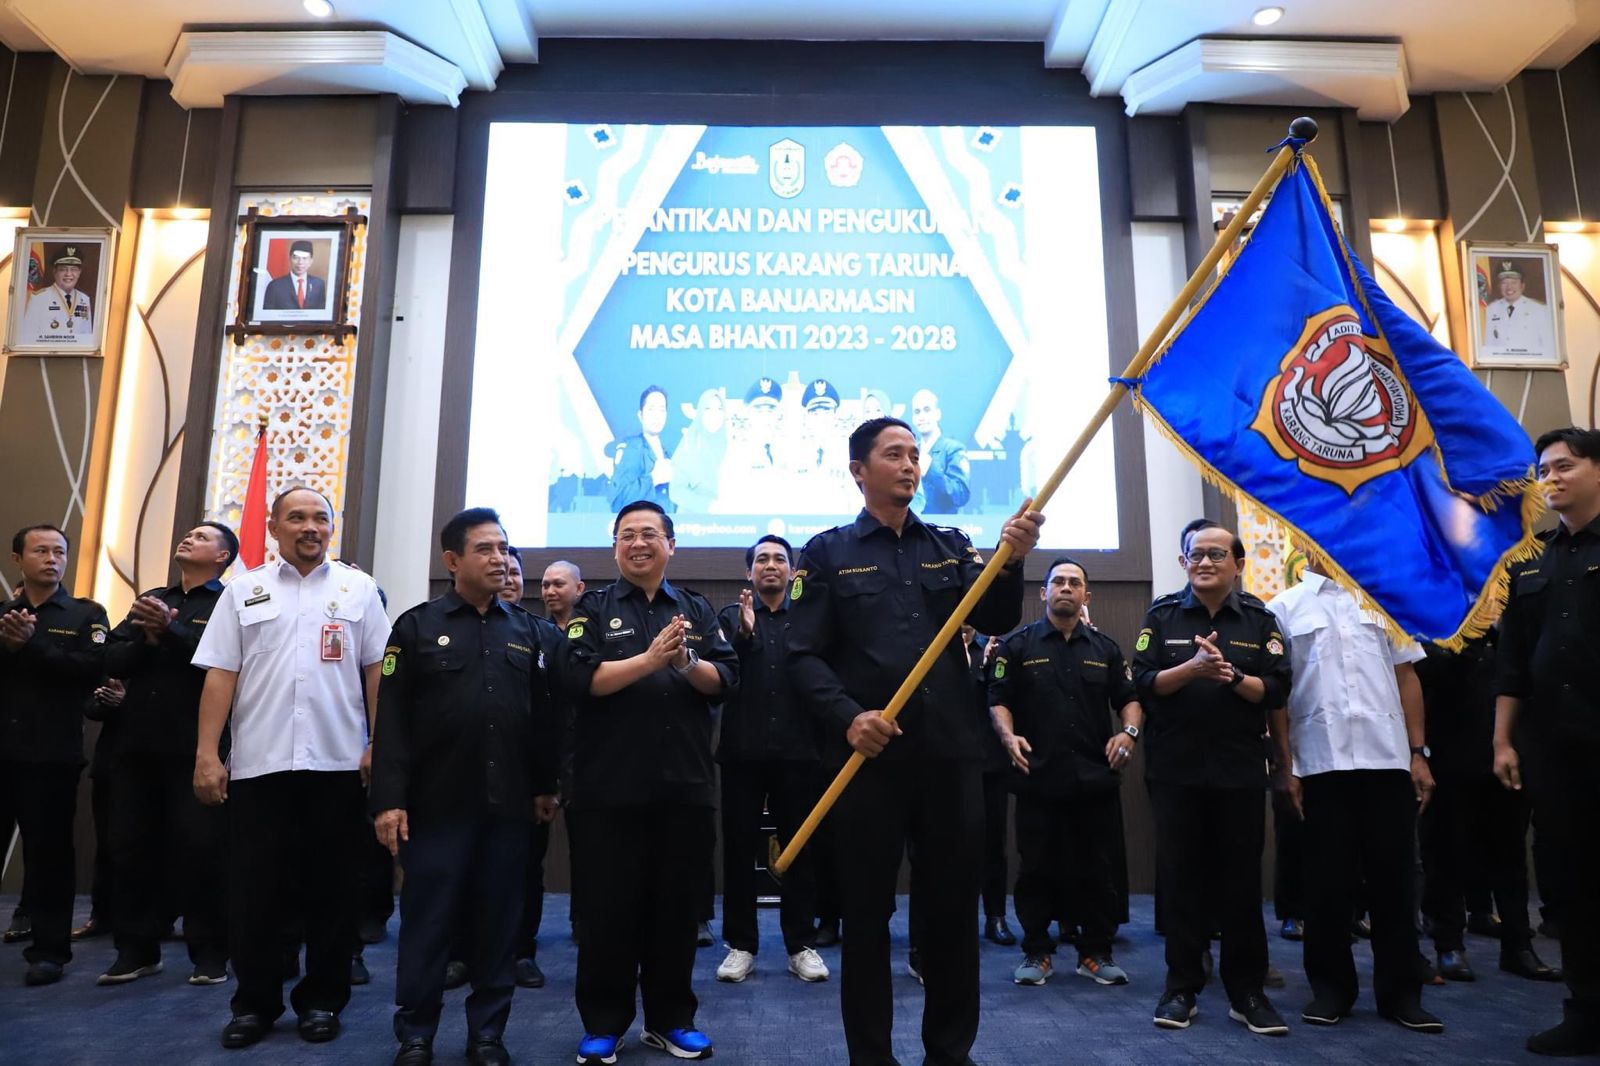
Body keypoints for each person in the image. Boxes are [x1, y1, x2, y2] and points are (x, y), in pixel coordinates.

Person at [786, 416, 1043, 1066]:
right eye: (894, 454)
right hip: (866, 763)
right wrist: (849, 717)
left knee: (952, 915)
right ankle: (871, 1058)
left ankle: (949, 1054)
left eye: (915, 454)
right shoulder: (826, 553)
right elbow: (802, 657)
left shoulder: (951, 547)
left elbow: (996, 616)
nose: (909, 465)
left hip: (950, 758)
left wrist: (1012, 559)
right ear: (859, 471)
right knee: (866, 919)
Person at [191, 486, 389, 1050]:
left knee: (333, 892)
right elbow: (220, 673)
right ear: (274, 528)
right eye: (296, 517)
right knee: (255, 894)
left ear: (332, 527)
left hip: (337, 765)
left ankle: (322, 1001)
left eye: (320, 518)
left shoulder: (358, 589)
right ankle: (254, 1004)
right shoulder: (243, 590)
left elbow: (378, 670)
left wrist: (378, 744)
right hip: (261, 765)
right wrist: (207, 754)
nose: (310, 527)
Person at [372, 508, 559, 1066]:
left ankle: (487, 1035)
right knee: (427, 925)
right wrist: (388, 800)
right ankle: (415, 1034)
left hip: (508, 809)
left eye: (503, 548)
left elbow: (542, 719)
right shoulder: (415, 627)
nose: (500, 559)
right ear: (452, 560)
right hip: (435, 808)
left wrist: (545, 786)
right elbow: (392, 723)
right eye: (485, 549)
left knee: (499, 926)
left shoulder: (529, 631)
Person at [563, 500, 737, 1064]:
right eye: (627, 535)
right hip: (608, 789)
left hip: (684, 787)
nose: (638, 543)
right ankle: (604, 1024)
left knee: (676, 912)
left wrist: (685, 662)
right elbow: (581, 679)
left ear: (670, 545)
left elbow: (724, 679)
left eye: (649, 534)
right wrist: (652, 658)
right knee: (607, 913)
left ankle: (671, 1020)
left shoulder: (695, 609)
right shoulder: (592, 607)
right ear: (615, 547)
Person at [1266, 561, 1443, 1033]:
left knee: (1395, 883)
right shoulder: (1284, 608)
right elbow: (1278, 695)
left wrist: (1418, 753)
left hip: (1387, 760)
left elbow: (1406, 677)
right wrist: (1285, 764)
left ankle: (1402, 994)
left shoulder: (1384, 599)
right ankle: (1331, 989)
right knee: (1325, 885)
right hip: (1319, 763)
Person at [1132, 524, 1291, 1036]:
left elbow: (1277, 689)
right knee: (1181, 880)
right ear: (1183, 564)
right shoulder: (1162, 616)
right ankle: (1182, 987)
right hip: (1175, 771)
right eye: (1195, 555)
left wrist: (1232, 677)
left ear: (1238, 564)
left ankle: (1248, 992)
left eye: (1216, 554)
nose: (1204, 562)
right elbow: (1143, 683)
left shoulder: (1260, 620)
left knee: (1241, 882)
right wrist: (1194, 669)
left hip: (1238, 772)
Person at [1493, 426, 1600, 1056]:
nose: (1550, 478)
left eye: (1564, 466)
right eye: (1543, 470)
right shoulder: (1529, 560)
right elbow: (1512, 663)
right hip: (1554, 748)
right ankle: (1585, 1011)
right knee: (1568, 883)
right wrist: (1502, 742)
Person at [989, 556, 1141, 988]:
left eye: (1075, 583)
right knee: (1036, 868)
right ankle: (1037, 952)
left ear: (1086, 595)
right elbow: (998, 700)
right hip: (1038, 776)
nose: (1067, 588)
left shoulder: (1105, 649)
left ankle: (1095, 952)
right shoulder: (1017, 647)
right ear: (1044, 592)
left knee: (1097, 869)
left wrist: (1129, 733)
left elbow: (1129, 698)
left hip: (1094, 778)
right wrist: (1007, 736)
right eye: (1059, 582)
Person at [98, 522, 237, 987]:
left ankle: (210, 953)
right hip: (135, 745)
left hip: (195, 749)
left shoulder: (228, 604)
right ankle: (136, 950)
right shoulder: (151, 599)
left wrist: (171, 631)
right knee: (129, 848)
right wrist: (147, 636)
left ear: (223, 556)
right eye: (189, 534)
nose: (189, 538)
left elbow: (223, 666)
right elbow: (110, 660)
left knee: (202, 851)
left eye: (202, 537)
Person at [714, 535, 828, 985]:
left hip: (800, 754)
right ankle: (740, 945)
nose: (770, 565)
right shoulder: (730, 618)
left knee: (800, 852)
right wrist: (744, 636)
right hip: (742, 754)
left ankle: (800, 945)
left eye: (779, 559)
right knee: (739, 851)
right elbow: (720, 678)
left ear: (792, 571)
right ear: (749, 572)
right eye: (761, 559)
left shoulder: (810, 619)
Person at [0, 524, 109, 985]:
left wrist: (31, 646)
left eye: (59, 552)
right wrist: (8, 647)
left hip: (51, 754)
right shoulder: (4, 616)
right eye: (41, 551)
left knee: (49, 858)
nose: (51, 559)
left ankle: (48, 952)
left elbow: (92, 668)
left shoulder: (86, 614)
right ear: (18, 559)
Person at [1417, 636, 1557, 983]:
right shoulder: (1441, 616)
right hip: (1450, 743)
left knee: (1510, 853)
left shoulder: (1511, 620)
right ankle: (1449, 944)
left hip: (1507, 747)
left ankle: (1518, 945)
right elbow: (1426, 668)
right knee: (1447, 849)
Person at [538, 559, 585, 950]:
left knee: (588, 844)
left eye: (558, 584)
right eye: (545, 585)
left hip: (587, 751)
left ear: (579, 589)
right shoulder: (534, 633)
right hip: (546, 749)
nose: (550, 591)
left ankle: (585, 919)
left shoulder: (593, 631)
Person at [608, 386, 674, 513]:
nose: (657, 416)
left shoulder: (668, 454)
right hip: (641, 524)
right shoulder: (632, 448)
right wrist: (653, 478)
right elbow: (618, 501)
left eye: (661, 410)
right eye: (651, 409)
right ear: (640, 415)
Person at [909, 389, 970, 514]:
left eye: (927, 410)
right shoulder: (910, 451)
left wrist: (931, 470)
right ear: (913, 418)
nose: (921, 417)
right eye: (917, 412)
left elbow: (961, 495)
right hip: (913, 523)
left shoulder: (953, 449)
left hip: (942, 523)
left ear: (937, 414)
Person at [19, 247, 93, 346]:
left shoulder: (84, 299)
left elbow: (87, 339)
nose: (69, 274)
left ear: (79, 272)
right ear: (54, 271)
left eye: (74, 269)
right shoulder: (39, 299)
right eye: (63, 269)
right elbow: (28, 339)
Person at [1481, 261, 1554, 361]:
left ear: (1522, 285)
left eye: (1514, 282)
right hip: (1499, 364)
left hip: (1530, 364)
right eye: (1504, 283)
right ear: (1499, 286)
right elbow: (1487, 345)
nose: (1509, 287)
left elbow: (1548, 348)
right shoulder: (1490, 310)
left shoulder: (1539, 310)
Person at [672, 389, 729, 513]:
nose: (714, 414)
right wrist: (708, 506)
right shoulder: (690, 444)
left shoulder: (731, 445)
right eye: (708, 409)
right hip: (693, 520)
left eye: (719, 409)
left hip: (728, 519)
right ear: (700, 413)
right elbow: (676, 491)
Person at [262, 240, 329, 311]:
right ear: (290, 259)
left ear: (311, 261)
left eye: (304, 258)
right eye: (296, 258)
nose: (300, 262)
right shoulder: (275, 286)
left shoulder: (319, 284)